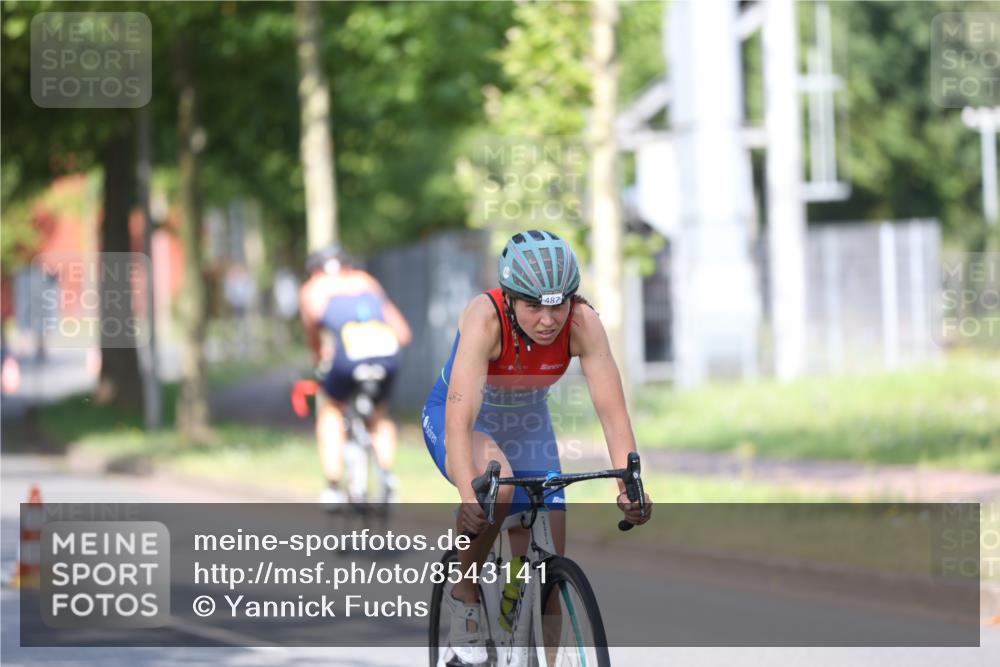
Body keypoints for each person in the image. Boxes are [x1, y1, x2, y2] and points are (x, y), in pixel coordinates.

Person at [421, 230, 653, 664]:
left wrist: (629, 484)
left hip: (528, 428)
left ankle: (525, 623)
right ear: (509, 298)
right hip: (463, 420)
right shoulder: (484, 318)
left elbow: (612, 410)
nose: (548, 320)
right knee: (501, 486)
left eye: (558, 305)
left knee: (548, 561)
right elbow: (460, 414)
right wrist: (468, 496)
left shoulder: (583, 324)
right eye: (533, 306)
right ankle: (465, 592)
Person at [299, 244, 412, 506]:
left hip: (347, 358)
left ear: (314, 271)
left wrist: (320, 359)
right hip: (388, 355)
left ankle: (333, 487)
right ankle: (386, 477)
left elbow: (314, 337)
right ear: (348, 266)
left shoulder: (312, 290)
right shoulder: (366, 281)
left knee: (331, 410)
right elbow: (403, 333)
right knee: (379, 416)